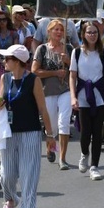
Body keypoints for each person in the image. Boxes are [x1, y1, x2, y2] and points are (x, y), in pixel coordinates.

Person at [0, 44, 53, 208]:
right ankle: (10, 198)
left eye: (8, 58)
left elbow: (43, 109)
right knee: (6, 175)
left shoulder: (33, 80)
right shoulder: (5, 78)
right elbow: (1, 102)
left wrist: (50, 135)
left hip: (30, 132)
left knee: (29, 174)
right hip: (8, 133)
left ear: (18, 61)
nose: (4, 61)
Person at [69, 21, 104, 181]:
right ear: (83, 34)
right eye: (89, 32)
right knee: (85, 132)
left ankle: (94, 166)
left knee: (98, 132)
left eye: (95, 32)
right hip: (83, 95)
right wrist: (73, 97)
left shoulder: (103, 53)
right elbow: (72, 76)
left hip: (99, 95)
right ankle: (84, 153)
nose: (92, 35)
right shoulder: (77, 53)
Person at [31, 19, 73, 169]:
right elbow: (34, 71)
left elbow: (76, 69)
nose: (59, 32)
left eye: (61, 30)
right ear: (48, 32)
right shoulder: (42, 49)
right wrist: (55, 72)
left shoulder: (68, 48)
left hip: (66, 90)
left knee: (64, 122)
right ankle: (51, 148)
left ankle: (63, 158)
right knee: (52, 126)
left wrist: (67, 61)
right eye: (56, 29)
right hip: (47, 91)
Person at [0, 10, 20, 95]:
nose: (2, 22)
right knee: (0, 89)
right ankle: (2, 107)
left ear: (8, 20)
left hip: (10, 63)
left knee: (11, 87)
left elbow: (15, 50)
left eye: (4, 19)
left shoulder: (13, 34)